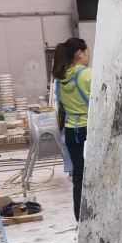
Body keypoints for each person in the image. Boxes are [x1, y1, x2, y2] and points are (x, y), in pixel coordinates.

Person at [52, 38, 92, 221]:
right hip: (88, 130)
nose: (89, 55)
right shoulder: (87, 75)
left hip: (70, 132)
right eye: (88, 52)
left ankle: (80, 218)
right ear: (80, 53)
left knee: (79, 176)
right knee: (96, 174)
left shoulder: (60, 80)